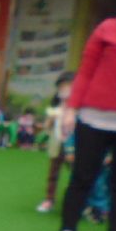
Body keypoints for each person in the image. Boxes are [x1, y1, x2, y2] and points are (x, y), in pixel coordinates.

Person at [55, 0, 116, 231]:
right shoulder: (107, 29)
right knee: (82, 179)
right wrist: (71, 110)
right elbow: (85, 71)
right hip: (93, 119)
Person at [36, 72, 76, 212]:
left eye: (68, 86)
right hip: (57, 143)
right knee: (53, 173)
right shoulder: (55, 107)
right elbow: (46, 126)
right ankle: (49, 199)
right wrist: (51, 119)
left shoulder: (80, 108)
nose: (65, 90)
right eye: (62, 87)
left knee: (77, 174)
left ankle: (77, 202)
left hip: (75, 146)